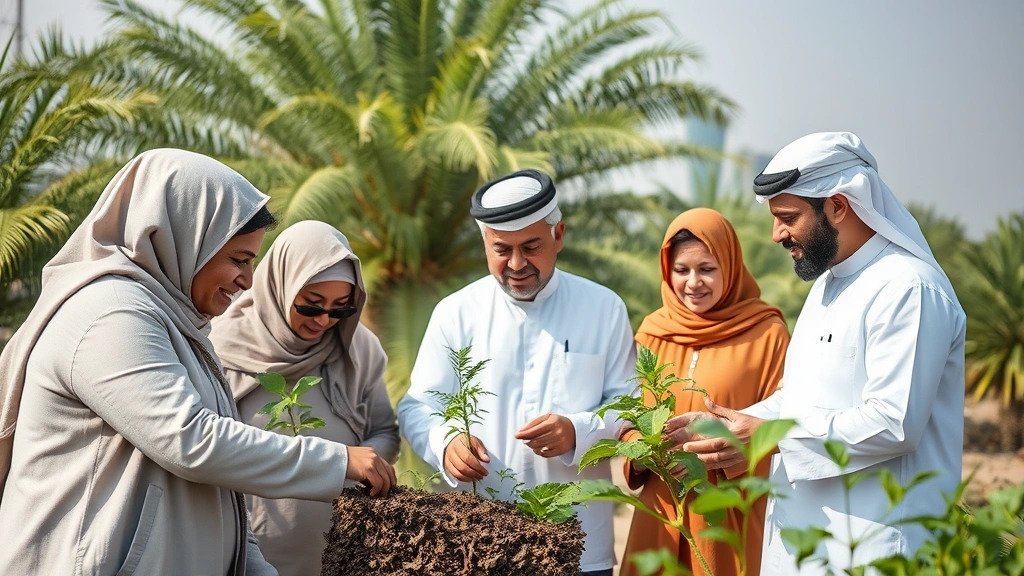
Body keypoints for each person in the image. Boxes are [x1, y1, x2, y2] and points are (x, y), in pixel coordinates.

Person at [0, 149, 394, 575]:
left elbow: (217, 493)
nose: (246, 281)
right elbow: (190, 440)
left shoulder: (177, 326)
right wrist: (339, 462)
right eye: (238, 260)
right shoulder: (110, 313)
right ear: (184, 237)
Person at [675, 132, 966, 573]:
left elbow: (894, 423)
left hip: (875, 548)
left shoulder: (908, 287)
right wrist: (735, 426)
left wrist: (770, 437)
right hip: (803, 549)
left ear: (838, 204)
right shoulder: (827, 285)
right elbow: (799, 399)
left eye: (788, 217)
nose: (776, 234)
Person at [396, 169, 636, 576]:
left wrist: (578, 431)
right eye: (502, 249)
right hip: (480, 541)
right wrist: (447, 442)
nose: (517, 263)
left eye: (531, 246)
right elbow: (418, 405)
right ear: (485, 245)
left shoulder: (604, 308)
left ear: (558, 235)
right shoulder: (456, 313)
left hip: (579, 542)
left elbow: (629, 405)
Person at [209, 220, 400, 576]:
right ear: (280, 287)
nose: (325, 320)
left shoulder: (358, 349)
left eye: (341, 308)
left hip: (344, 547)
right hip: (245, 551)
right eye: (311, 306)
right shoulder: (221, 350)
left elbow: (384, 432)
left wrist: (367, 470)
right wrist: (334, 460)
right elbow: (210, 449)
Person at [620, 208, 789, 576]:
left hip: (726, 516)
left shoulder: (767, 333)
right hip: (660, 510)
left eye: (707, 269)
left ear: (729, 265)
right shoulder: (651, 332)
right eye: (681, 270)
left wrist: (718, 454)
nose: (693, 282)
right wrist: (641, 452)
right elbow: (630, 415)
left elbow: (778, 429)